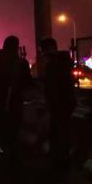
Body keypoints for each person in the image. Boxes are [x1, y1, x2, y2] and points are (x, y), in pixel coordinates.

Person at [0, 36, 32, 164]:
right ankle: (12, 161)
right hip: (14, 103)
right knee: (12, 133)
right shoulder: (21, 63)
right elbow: (28, 83)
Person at [39, 38, 76, 171]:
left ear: (48, 48)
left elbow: (54, 87)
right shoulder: (63, 61)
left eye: (42, 51)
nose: (42, 54)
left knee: (58, 133)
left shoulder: (54, 64)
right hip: (64, 103)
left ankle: (59, 163)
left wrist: (49, 100)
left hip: (59, 104)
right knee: (61, 133)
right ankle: (62, 161)